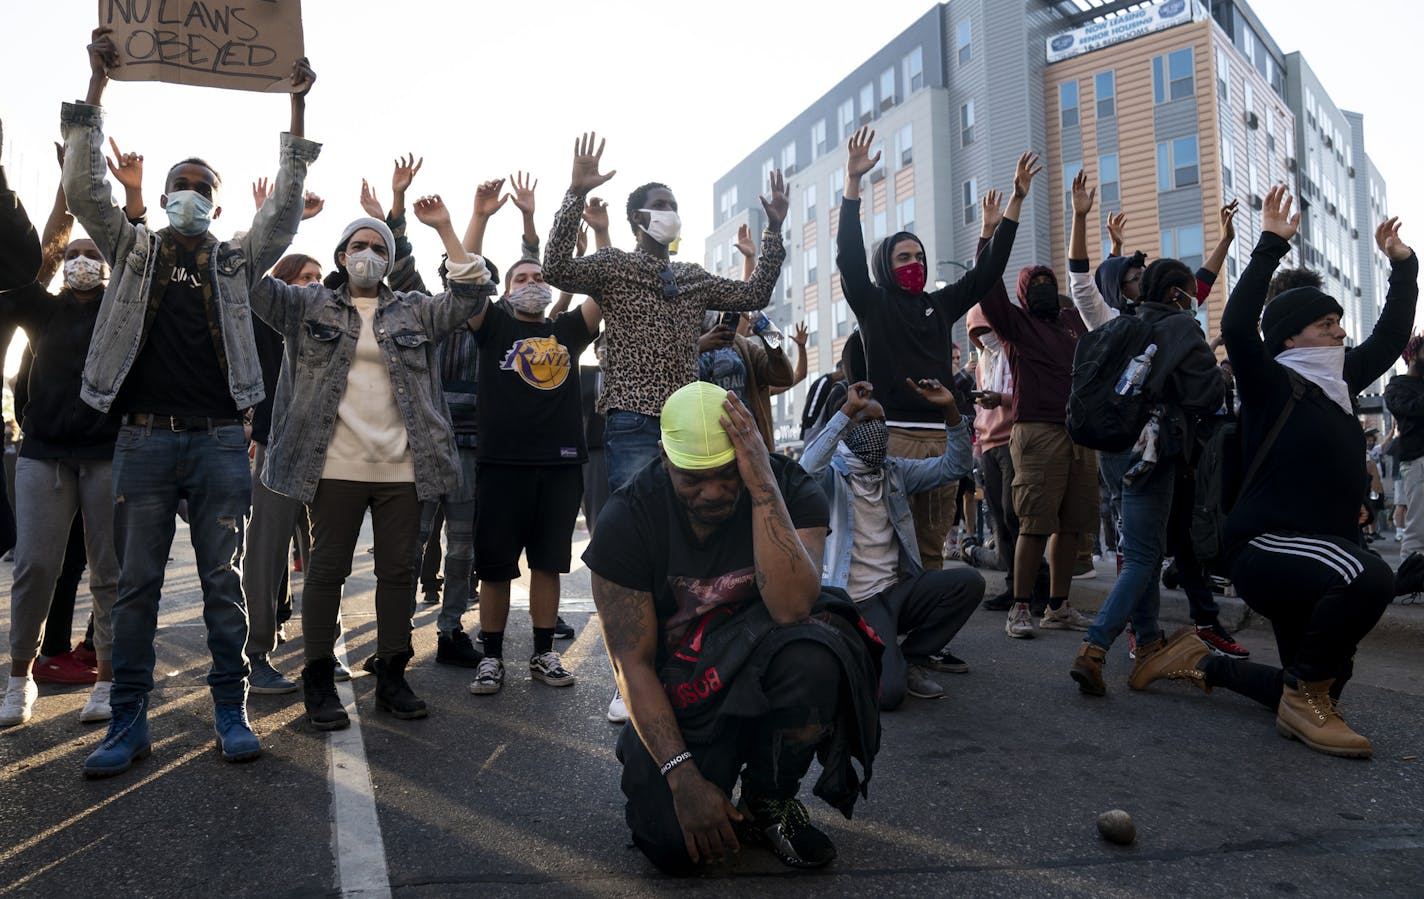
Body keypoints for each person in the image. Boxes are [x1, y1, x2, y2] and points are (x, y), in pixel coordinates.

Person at [65, 29, 319, 777]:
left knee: (221, 583)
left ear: (213, 202)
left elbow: (285, 213)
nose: (189, 195)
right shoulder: (133, 249)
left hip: (216, 440)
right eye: (180, 183)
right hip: (143, 440)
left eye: (201, 188)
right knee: (138, 585)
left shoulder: (236, 260)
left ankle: (229, 710)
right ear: (166, 195)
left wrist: (296, 110)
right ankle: (127, 723)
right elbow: (87, 191)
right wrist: (96, 87)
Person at [1134, 187, 1416, 758]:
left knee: (1321, 682)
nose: (1340, 331)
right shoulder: (1271, 379)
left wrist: (1404, 267)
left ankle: (1197, 662)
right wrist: (1268, 246)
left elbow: (1388, 338)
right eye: (1326, 323)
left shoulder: (1340, 380)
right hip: (1267, 546)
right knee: (1371, 578)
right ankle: (1301, 697)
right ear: (1290, 337)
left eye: (1339, 321)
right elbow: (1237, 327)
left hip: (1318, 551)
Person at [585, 382, 879, 875]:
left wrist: (762, 484)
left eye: (727, 475)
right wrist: (684, 779)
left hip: (765, 663)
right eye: (694, 480)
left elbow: (792, 607)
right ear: (664, 458)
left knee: (818, 651)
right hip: (684, 694)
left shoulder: (784, 487)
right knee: (676, 851)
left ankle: (770, 797)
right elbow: (631, 665)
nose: (715, 492)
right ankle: (675, 765)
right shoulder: (628, 520)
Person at [250, 196, 494, 730]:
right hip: (332, 466)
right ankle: (318, 678)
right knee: (326, 570)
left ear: (389, 258)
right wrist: (283, 223)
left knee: (398, 573)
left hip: (403, 468)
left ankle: (392, 673)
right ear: (340, 256)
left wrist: (447, 228)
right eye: (358, 245)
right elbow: (249, 283)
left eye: (378, 247)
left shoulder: (414, 309)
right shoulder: (307, 305)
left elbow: (471, 294)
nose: (368, 254)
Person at [542, 133, 788, 494]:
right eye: (660, 204)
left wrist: (775, 230)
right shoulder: (614, 266)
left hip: (687, 419)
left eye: (673, 206)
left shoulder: (692, 277)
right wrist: (575, 194)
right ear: (636, 216)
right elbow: (556, 269)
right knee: (636, 523)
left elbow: (754, 293)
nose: (669, 213)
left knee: (686, 521)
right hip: (631, 418)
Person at [1060, 171, 1224, 695]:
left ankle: (1149, 641)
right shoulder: (1181, 327)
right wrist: (1214, 371)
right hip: (1154, 452)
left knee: (1140, 545)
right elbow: (1206, 398)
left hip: (1113, 449)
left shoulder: (1120, 326)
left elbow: (1197, 281)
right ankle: (1096, 645)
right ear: (1179, 295)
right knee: (1147, 555)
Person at [836, 127, 1025, 572]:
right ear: (886, 264)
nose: (915, 265)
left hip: (940, 442)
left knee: (930, 547)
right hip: (893, 439)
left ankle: (924, 637)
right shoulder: (873, 304)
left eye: (919, 257)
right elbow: (847, 257)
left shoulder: (939, 305)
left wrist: (1014, 204)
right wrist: (853, 182)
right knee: (885, 545)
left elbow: (987, 272)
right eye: (904, 258)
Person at [0, 143, 124, 727]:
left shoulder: (123, 312)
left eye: (91, 255)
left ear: (107, 267)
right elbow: (39, 261)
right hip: (43, 455)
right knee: (35, 567)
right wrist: (65, 194)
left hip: (107, 456)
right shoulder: (42, 310)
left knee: (109, 571)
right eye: (74, 254)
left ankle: (106, 680)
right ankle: (19, 676)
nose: (81, 261)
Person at [465, 247, 602, 696]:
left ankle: (544, 652)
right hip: (502, 466)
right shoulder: (496, 327)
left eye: (538, 276)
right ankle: (491, 658)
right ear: (504, 293)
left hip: (560, 466)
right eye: (520, 278)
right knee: (495, 569)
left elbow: (602, 290)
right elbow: (466, 278)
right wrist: (469, 220)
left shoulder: (565, 331)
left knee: (548, 565)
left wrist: (591, 243)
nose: (531, 283)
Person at [801, 379, 983, 707]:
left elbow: (956, 466)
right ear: (845, 430)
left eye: (881, 423)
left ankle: (908, 657)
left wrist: (950, 410)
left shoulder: (894, 472)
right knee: (889, 695)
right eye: (865, 421)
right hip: (857, 602)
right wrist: (846, 411)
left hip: (897, 590)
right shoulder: (830, 475)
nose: (876, 430)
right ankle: (863, 656)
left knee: (967, 582)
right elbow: (805, 470)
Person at [974, 180, 1097, 639]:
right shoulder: (1016, 324)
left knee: (1072, 526)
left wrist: (1081, 217)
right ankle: (1022, 606)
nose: (1045, 288)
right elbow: (987, 286)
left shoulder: (1072, 323)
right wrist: (990, 232)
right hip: (1037, 431)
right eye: (1036, 284)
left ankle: (1059, 606)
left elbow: (1085, 284)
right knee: (1033, 523)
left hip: (1079, 435)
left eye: (1050, 282)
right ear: (1025, 294)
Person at [697, 312, 795, 450]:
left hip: (748, 443)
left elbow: (785, 377)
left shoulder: (740, 344)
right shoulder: (679, 346)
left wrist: (768, 330)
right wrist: (696, 347)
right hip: (704, 446)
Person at [1385, 335, 1424, 557]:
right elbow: (1409, 409)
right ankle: (1412, 583)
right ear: (1412, 356)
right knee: (1419, 529)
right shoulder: (1396, 386)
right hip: (1418, 462)